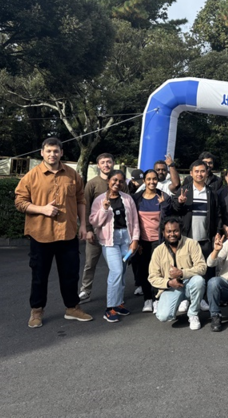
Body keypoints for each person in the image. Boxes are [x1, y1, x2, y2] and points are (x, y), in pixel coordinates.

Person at [16, 137, 93, 328]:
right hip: (40, 234)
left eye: (56, 151)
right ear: (42, 153)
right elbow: (20, 202)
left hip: (67, 234)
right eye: (48, 151)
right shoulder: (31, 176)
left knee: (70, 274)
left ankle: (72, 308)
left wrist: (83, 225)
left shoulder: (72, 175)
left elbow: (80, 200)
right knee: (39, 276)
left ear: (61, 153)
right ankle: (36, 311)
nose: (52, 154)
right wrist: (42, 209)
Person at [171, 160, 228, 311]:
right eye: (196, 171)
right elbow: (174, 211)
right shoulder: (184, 191)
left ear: (207, 173)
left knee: (206, 270)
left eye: (202, 171)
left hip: (205, 239)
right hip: (187, 239)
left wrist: (217, 232)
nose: (199, 174)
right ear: (191, 173)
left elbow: (217, 215)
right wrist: (180, 202)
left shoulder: (212, 193)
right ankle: (185, 298)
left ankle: (203, 298)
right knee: (184, 268)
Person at [89, 169, 141, 323]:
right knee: (116, 271)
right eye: (114, 180)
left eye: (120, 181)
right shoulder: (99, 200)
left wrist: (135, 240)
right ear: (108, 181)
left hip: (126, 238)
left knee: (123, 271)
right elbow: (94, 222)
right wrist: (104, 209)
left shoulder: (127, 199)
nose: (117, 183)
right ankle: (110, 307)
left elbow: (135, 221)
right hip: (109, 240)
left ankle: (118, 303)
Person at [148, 217, 207, 330]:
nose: (172, 234)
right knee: (163, 316)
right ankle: (181, 300)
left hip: (189, 282)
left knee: (199, 281)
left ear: (181, 231)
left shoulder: (192, 244)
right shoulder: (158, 251)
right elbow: (152, 277)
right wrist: (169, 283)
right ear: (163, 233)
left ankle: (193, 313)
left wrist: (182, 273)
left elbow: (202, 267)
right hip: (172, 287)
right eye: (169, 231)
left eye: (175, 231)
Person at [78, 152, 114, 304]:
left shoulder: (120, 182)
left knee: (116, 266)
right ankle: (86, 290)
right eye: (103, 162)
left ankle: (116, 293)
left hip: (114, 232)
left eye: (109, 162)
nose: (106, 165)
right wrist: (87, 229)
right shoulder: (92, 184)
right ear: (98, 165)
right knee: (90, 263)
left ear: (113, 164)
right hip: (96, 231)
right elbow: (84, 207)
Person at [133, 169, 171, 312]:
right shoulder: (137, 198)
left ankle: (157, 299)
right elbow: (131, 220)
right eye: (148, 179)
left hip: (159, 240)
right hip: (142, 240)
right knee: (143, 270)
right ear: (144, 181)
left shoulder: (163, 197)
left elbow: (169, 220)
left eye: (154, 179)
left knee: (158, 270)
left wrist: (164, 206)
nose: (152, 182)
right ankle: (147, 299)